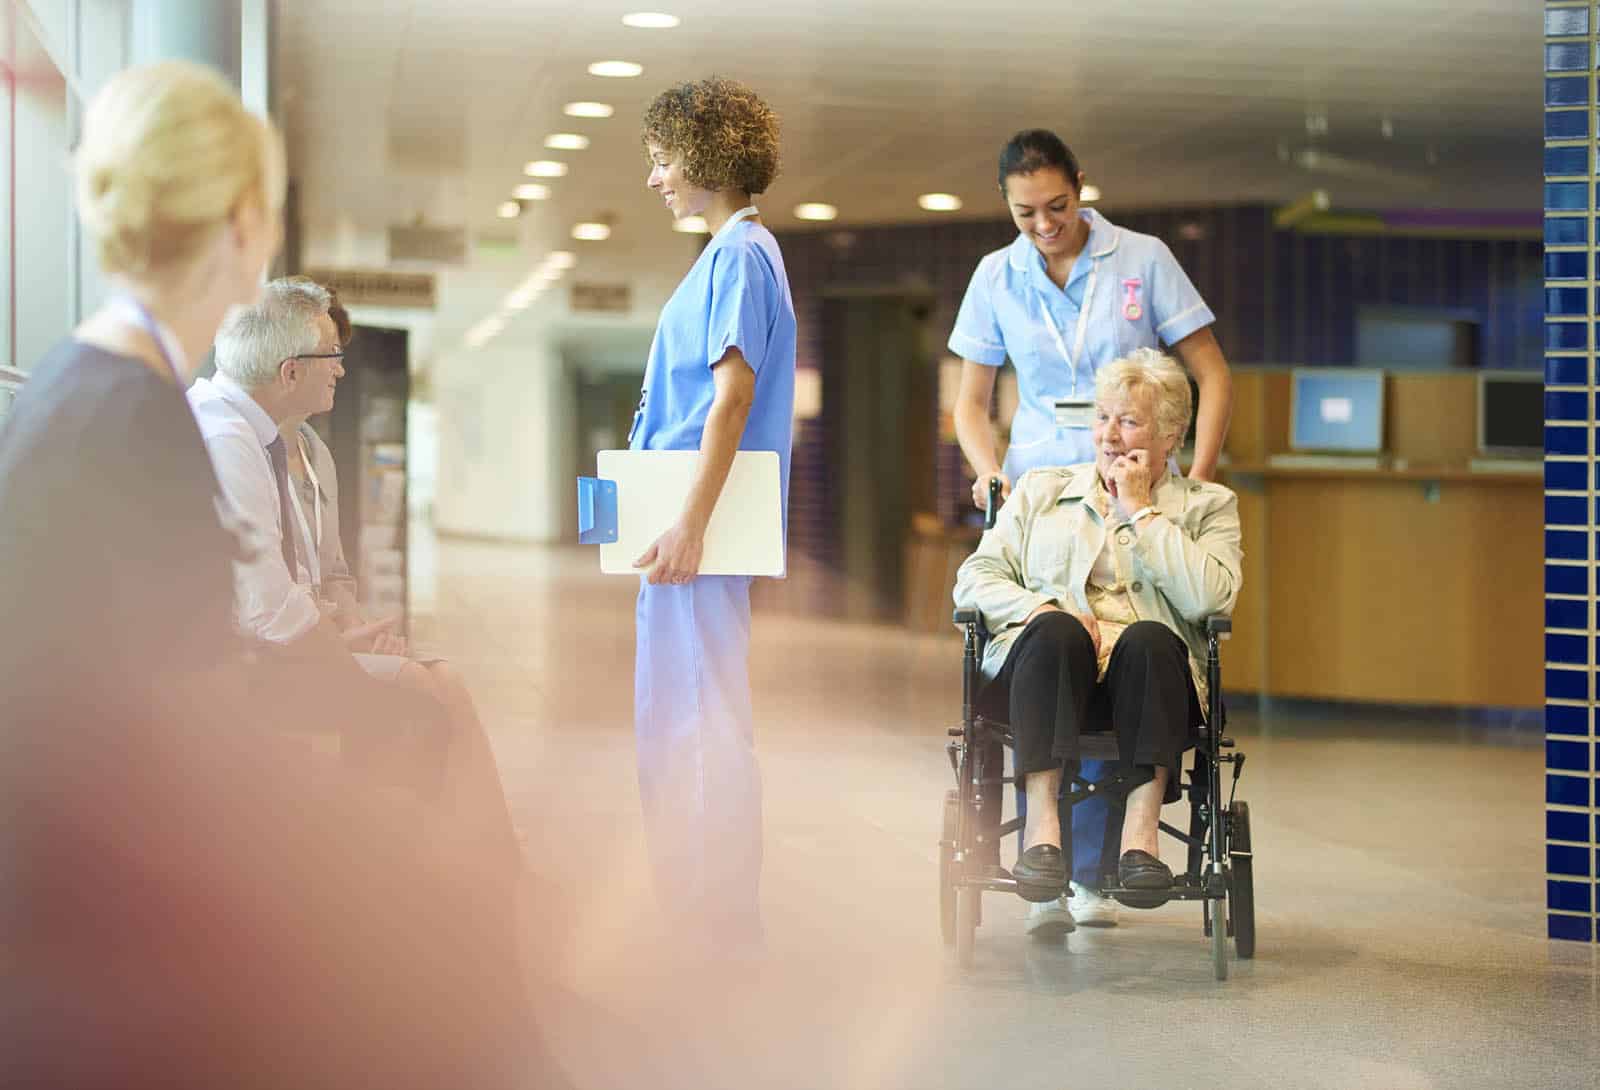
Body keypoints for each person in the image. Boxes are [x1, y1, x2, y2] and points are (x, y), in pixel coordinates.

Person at [0, 61, 544, 1088]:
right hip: (82, 914)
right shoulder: (136, 419)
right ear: (241, 223)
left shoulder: (88, 391)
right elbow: (183, 736)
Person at [948, 128, 1235, 935]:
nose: (1043, 224)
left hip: (1139, 477)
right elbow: (972, 401)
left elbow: (1210, 371)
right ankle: (1057, 860)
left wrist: (1196, 478)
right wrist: (989, 468)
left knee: (1136, 641)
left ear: (1083, 187)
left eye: (1058, 206)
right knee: (1053, 642)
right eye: (1023, 212)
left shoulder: (1140, 260)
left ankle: (1101, 868)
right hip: (1044, 490)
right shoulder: (995, 276)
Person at [191, 276, 519, 867]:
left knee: (442, 678)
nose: (341, 369)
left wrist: (350, 626)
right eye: (332, 357)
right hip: (236, 665)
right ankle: (413, 873)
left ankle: (477, 863)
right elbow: (266, 606)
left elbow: (325, 574)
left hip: (281, 643)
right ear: (290, 372)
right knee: (421, 693)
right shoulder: (223, 439)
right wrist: (338, 646)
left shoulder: (292, 443)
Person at [952, 349, 1242, 907]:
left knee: (1153, 640)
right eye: (1103, 417)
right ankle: (1042, 835)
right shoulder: (1040, 490)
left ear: (1170, 434)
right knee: (1057, 630)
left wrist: (1141, 514)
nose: (1110, 435)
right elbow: (975, 578)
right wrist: (1037, 609)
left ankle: (1141, 836)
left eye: (1129, 421)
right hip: (1051, 672)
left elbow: (1211, 597)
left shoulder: (1208, 507)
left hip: (1148, 684)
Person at [632, 77, 796, 950]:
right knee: (692, 715)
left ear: (702, 158)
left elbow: (731, 398)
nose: (655, 178)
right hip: (685, 534)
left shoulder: (738, 256)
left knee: (697, 722)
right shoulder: (737, 254)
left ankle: (712, 920)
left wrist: (690, 522)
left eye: (662, 160)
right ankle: (708, 912)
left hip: (694, 537)